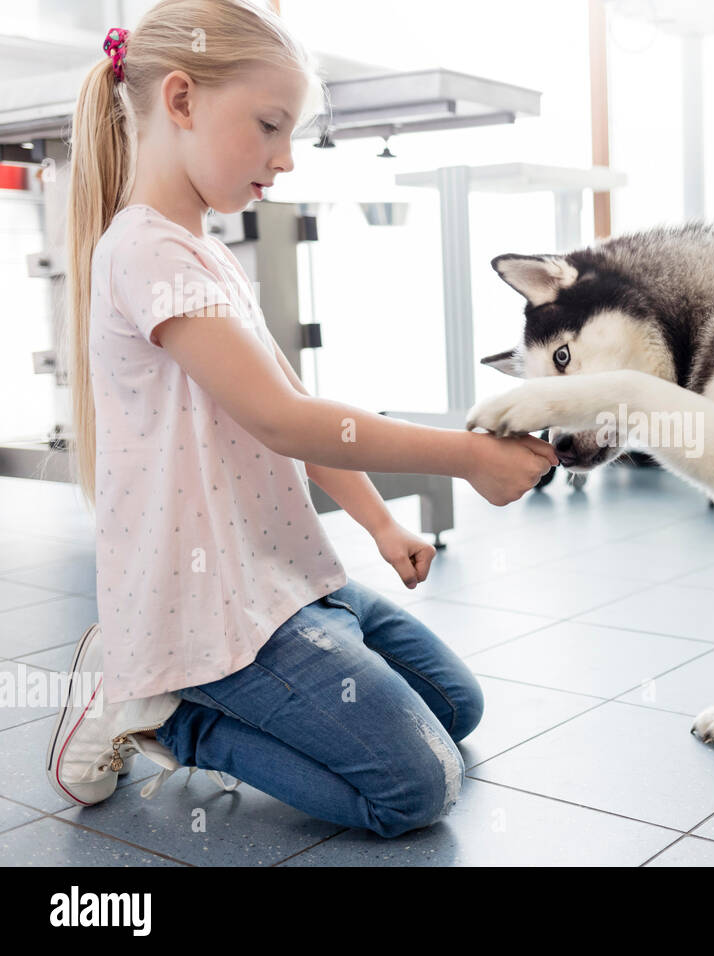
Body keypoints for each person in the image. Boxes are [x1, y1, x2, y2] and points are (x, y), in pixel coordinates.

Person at [46, 0, 557, 839]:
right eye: (270, 126)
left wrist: (384, 526)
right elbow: (286, 422)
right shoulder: (142, 252)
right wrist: (466, 456)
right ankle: (164, 712)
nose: (285, 159)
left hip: (284, 580)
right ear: (180, 100)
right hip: (209, 604)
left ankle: (227, 671)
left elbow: (297, 408)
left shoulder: (206, 250)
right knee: (418, 787)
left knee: (456, 709)